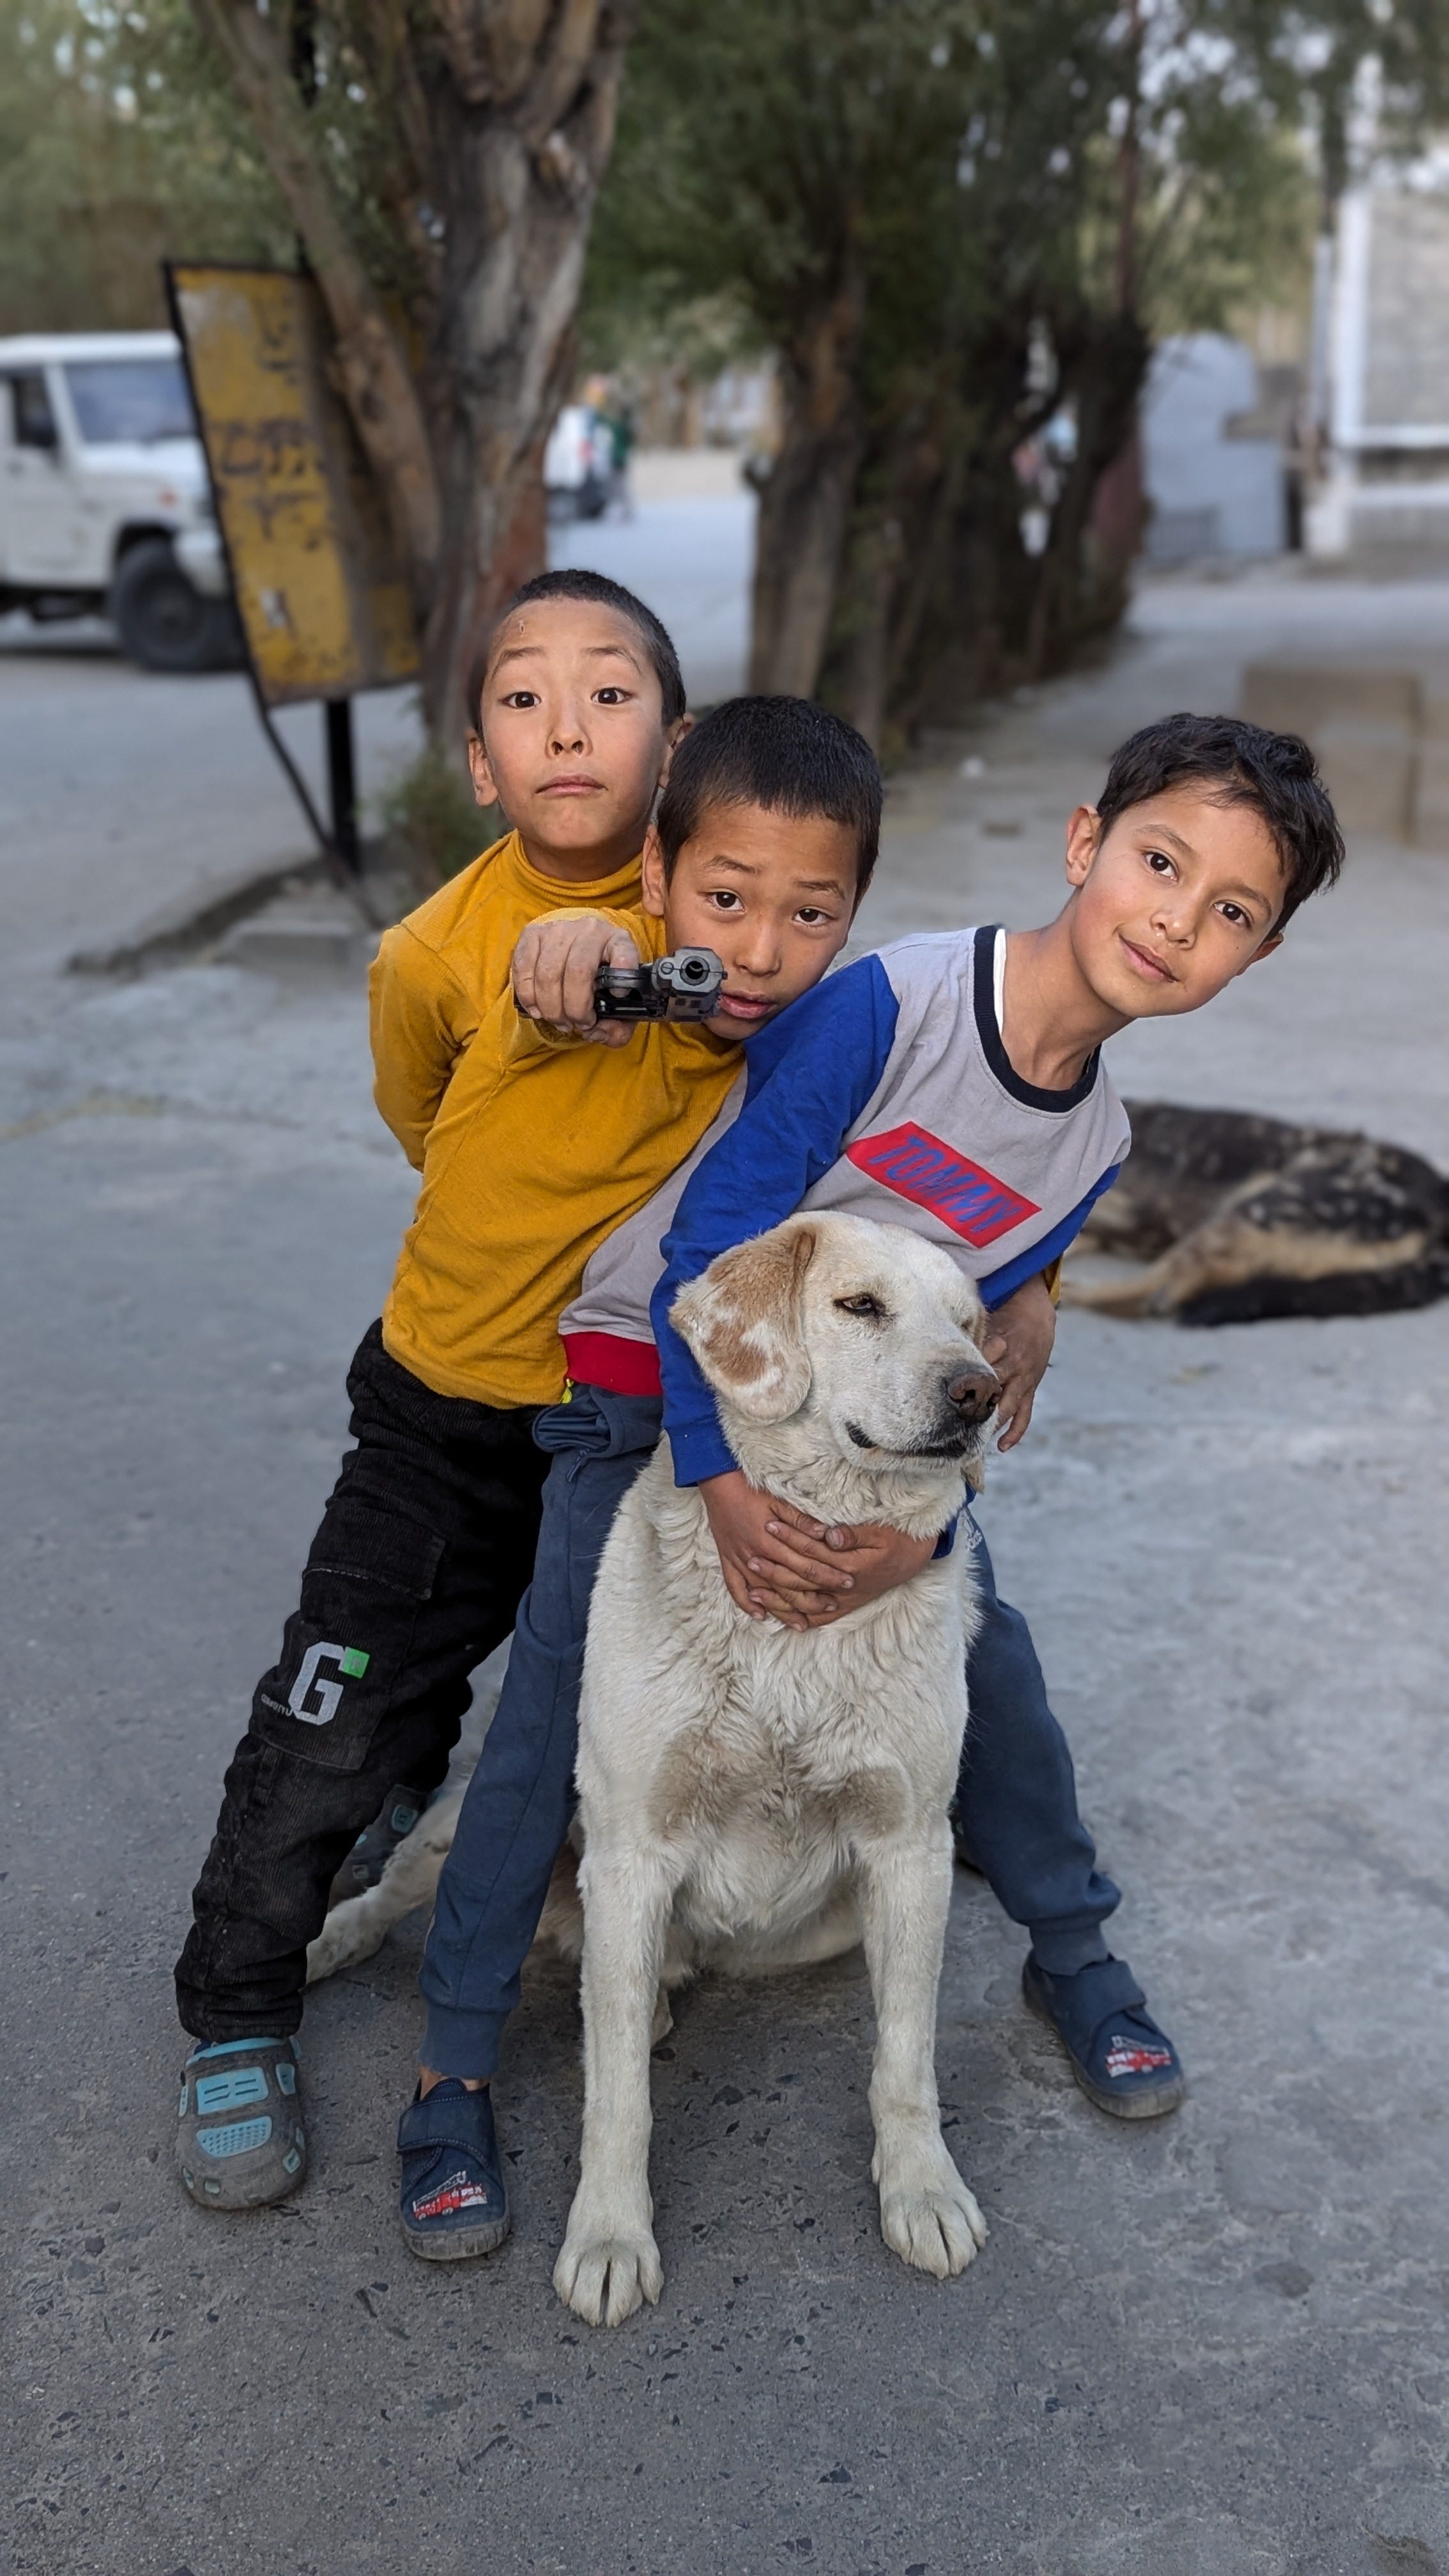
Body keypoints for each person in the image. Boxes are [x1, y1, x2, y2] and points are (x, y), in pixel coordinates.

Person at [397, 711, 1345, 2260]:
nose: (1180, 917)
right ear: (1085, 844)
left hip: (850, 1433)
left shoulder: (1096, 1134)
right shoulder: (889, 1005)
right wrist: (710, 1480)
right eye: (1162, 863)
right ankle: (452, 2064)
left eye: (1233, 911)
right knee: (557, 1703)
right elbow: (716, 1237)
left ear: (1257, 954)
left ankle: (1077, 1949)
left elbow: (978, 1344)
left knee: (997, 1666)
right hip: (656, 1375)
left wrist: (928, 1538)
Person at [172, 565, 713, 2210]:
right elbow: (429, 1118)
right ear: (480, 761)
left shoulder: (727, 929)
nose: (567, 723)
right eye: (525, 697)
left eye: (611, 694)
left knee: (593, 1715)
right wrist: (554, 981)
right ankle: (235, 2000)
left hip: (626, 1428)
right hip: (442, 1409)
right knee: (337, 1708)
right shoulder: (432, 950)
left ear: (676, 746)